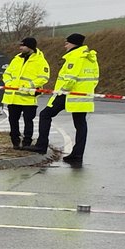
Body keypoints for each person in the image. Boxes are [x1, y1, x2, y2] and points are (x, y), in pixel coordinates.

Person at [35, 32, 100, 167]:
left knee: (45, 114)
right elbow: (95, 78)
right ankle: (77, 154)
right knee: (81, 124)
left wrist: (61, 92)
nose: (65, 46)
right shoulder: (90, 58)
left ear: (73, 44)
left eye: (67, 43)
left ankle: (41, 146)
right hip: (83, 96)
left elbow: (71, 78)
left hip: (68, 94)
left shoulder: (75, 57)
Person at [0, 36, 49, 150]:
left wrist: (28, 86)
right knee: (13, 120)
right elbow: (7, 73)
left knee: (28, 120)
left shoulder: (40, 61)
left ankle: (27, 141)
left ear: (30, 47)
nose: (20, 48)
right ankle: (15, 140)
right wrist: (9, 83)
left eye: (23, 46)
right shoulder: (17, 58)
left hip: (28, 97)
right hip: (13, 97)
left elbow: (43, 77)